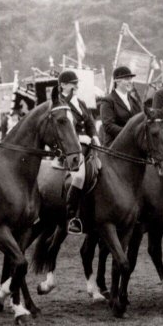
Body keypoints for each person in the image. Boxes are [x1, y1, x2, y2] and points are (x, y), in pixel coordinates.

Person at [58, 70, 101, 235]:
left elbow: (90, 122)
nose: (76, 86)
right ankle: (72, 216)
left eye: (77, 83)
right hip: (70, 148)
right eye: (72, 83)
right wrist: (79, 138)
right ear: (63, 85)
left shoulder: (80, 102)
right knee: (79, 176)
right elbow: (61, 127)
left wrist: (95, 136)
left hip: (89, 145)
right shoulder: (60, 102)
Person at [99, 66, 141, 146]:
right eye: (127, 79)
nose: (130, 82)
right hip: (115, 145)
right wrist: (129, 133)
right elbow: (108, 126)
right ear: (117, 81)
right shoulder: (108, 101)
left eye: (130, 79)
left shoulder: (134, 100)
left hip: (135, 144)